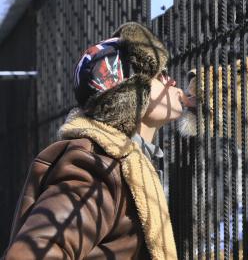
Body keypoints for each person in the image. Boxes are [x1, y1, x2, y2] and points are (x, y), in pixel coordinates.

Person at [3, 22, 190, 259]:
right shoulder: (97, 168)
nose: (171, 81)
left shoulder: (121, 162)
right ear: (130, 94)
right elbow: (30, 253)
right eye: (159, 74)